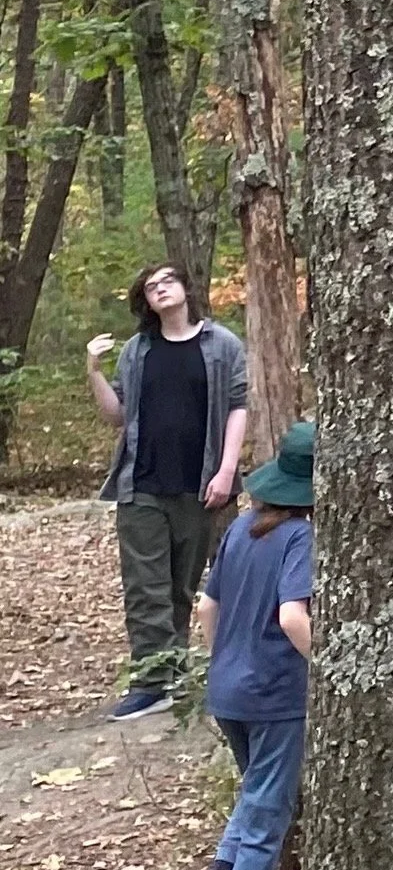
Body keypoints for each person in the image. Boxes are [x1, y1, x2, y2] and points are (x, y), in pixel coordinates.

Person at [186, 417, 316, 870]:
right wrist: (332, 669)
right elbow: (294, 616)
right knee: (268, 815)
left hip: (229, 688)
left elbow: (207, 609)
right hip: (276, 694)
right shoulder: (301, 537)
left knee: (254, 793)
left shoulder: (243, 528)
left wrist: (227, 664)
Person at [88, 261, 249, 719]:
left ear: (184, 289)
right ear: (145, 301)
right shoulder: (138, 351)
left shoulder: (221, 345)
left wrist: (226, 470)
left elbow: (238, 406)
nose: (160, 289)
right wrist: (94, 370)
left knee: (183, 586)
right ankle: (151, 681)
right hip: (140, 485)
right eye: (151, 286)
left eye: (167, 281)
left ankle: (176, 677)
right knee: (146, 589)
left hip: (201, 487)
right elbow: (116, 415)